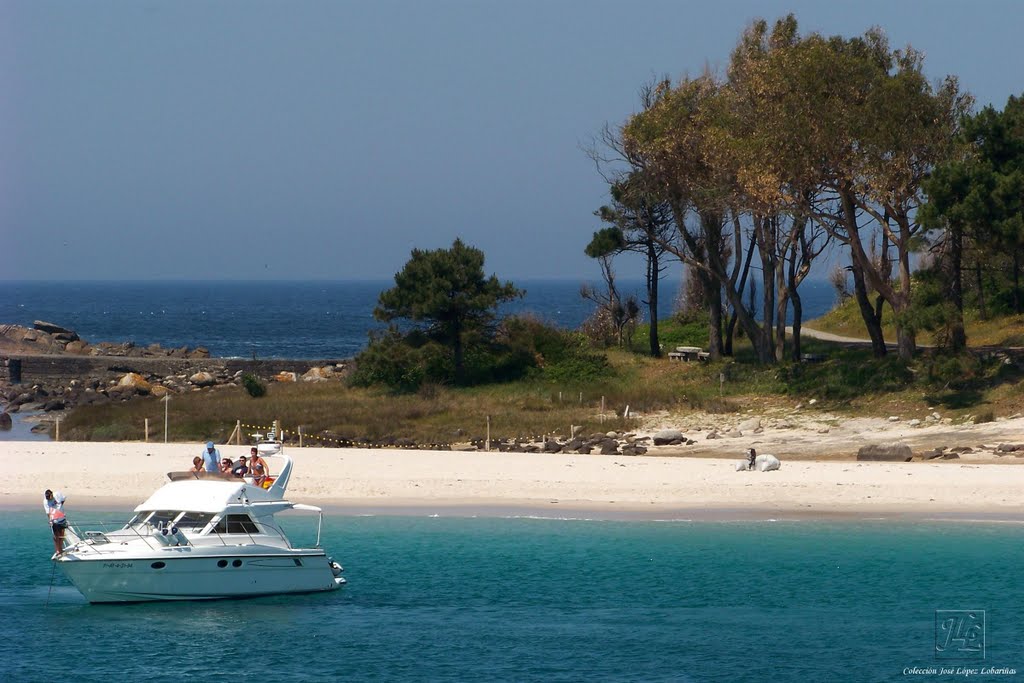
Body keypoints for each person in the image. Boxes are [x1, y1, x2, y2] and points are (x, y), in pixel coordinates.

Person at [44, 489, 68, 556]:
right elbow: (48, 513)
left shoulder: (57, 494)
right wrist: (50, 520)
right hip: (54, 520)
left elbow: (63, 499)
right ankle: (58, 550)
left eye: (49, 497)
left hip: (62, 517)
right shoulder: (45, 502)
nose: (48, 499)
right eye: (47, 497)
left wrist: (59, 509)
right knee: (56, 535)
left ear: (52, 494)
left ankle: (61, 549)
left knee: (62, 534)